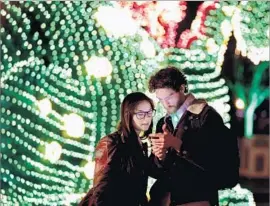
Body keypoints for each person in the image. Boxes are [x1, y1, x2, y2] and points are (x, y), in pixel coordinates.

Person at [147, 67, 239, 206]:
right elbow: (158, 172)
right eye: (161, 99)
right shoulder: (164, 122)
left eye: (170, 96)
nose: (166, 104)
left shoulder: (206, 117)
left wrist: (178, 144)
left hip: (197, 199)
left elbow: (218, 163)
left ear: (182, 88)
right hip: (168, 199)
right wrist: (160, 157)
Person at [79, 92, 157, 206]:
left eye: (149, 113)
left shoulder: (140, 144)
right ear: (128, 115)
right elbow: (101, 187)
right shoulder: (110, 142)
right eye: (140, 114)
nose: (147, 118)